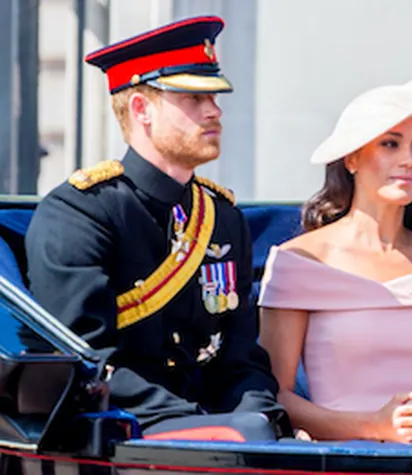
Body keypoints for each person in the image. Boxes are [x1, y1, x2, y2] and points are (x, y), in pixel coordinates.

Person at [25, 16, 291, 441]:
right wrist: (210, 428)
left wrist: (260, 418)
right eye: (193, 98)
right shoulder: (80, 212)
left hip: (220, 434)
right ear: (141, 109)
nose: (214, 111)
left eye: (214, 97)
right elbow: (86, 361)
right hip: (128, 434)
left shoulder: (222, 217)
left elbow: (241, 359)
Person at [258, 60, 412, 444]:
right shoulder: (299, 261)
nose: (409, 161)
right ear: (351, 158)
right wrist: (375, 426)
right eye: (390, 144)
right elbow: (275, 397)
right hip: (343, 452)